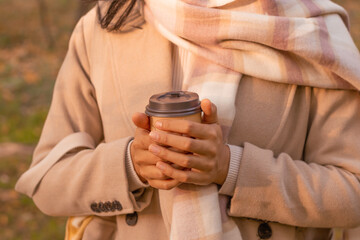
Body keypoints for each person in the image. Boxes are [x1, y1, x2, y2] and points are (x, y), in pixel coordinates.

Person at [15, 0, 360, 239]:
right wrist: (130, 164)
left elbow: (353, 191)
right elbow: (47, 181)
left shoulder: (312, 32)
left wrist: (232, 168)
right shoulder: (105, 26)